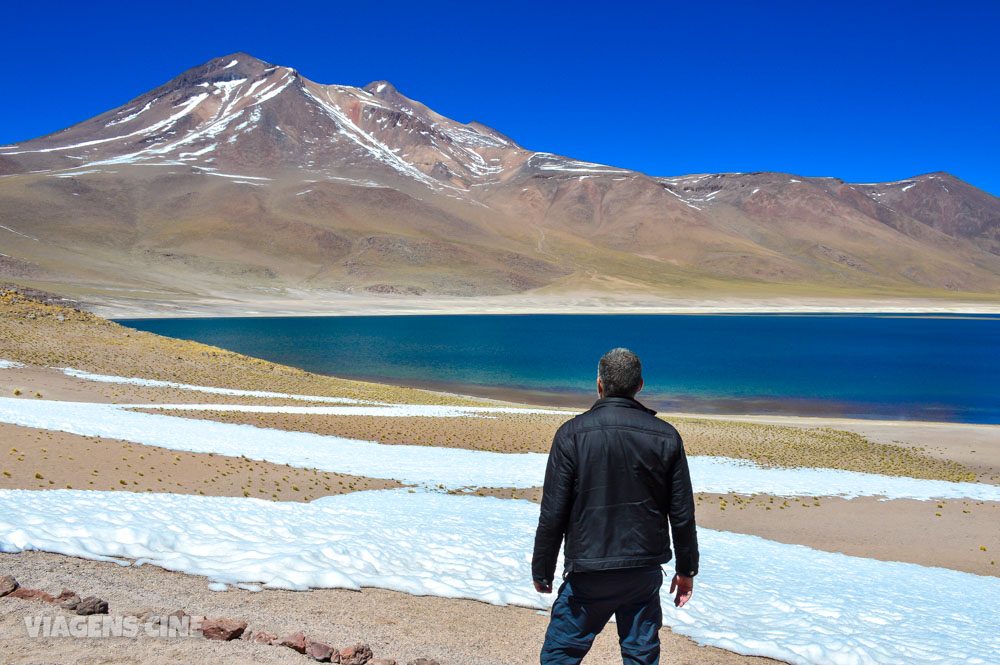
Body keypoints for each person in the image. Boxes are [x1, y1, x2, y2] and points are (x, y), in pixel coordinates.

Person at [531, 347, 699, 665]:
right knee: (640, 654)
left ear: (599, 385)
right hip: (643, 571)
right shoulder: (666, 437)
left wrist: (542, 568)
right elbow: (682, 514)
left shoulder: (571, 435)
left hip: (588, 571)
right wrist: (686, 570)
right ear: (639, 386)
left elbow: (553, 512)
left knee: (560, 654)